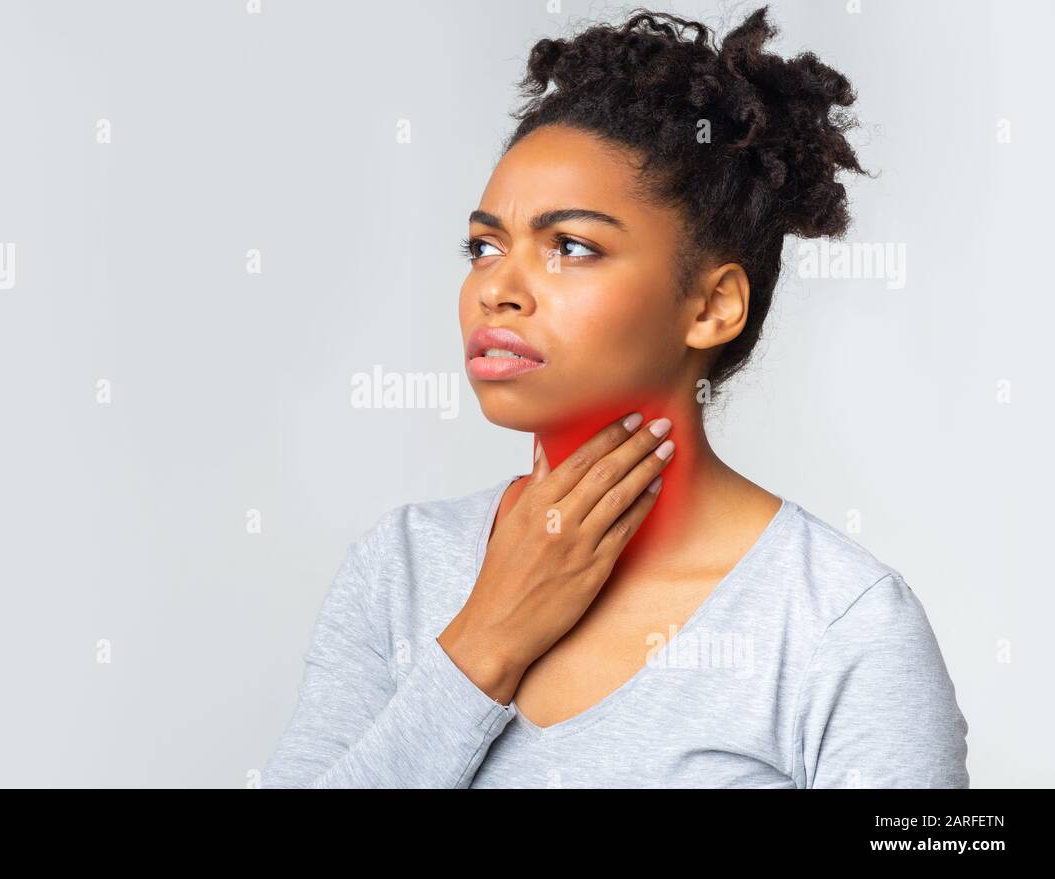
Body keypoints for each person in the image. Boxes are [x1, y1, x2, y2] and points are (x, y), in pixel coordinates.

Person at [259, 5, 969, 788]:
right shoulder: (401, 569)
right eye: (483, 246)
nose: (498, 287)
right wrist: (486, 638)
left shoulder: (842, 623)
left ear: (711, 306)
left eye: (571, 246)